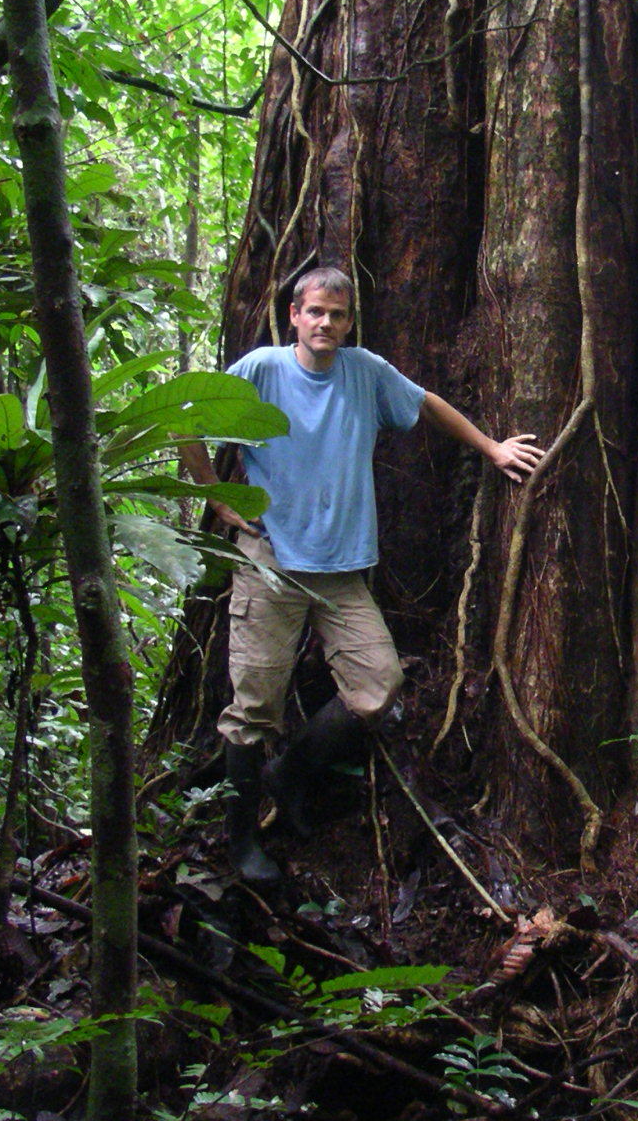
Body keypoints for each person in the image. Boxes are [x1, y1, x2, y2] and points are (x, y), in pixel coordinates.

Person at [181, 266, 543, 882]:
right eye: (315, 312)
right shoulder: (262, 369)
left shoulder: (365, 372)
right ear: (294, 314)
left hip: (343, 567)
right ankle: (239, 842)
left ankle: (289, 773)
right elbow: (186, 420)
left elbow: (425, 403)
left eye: (338, 315)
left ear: (350, 322)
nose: (326, 324)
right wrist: (217, 499)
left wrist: (491, 448)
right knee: (251, 708)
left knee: (378, 686)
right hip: (272, 561)